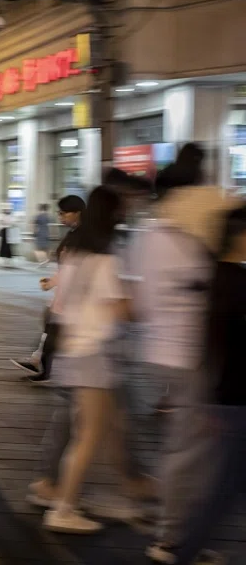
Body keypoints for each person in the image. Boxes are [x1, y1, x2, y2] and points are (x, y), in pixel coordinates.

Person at [133, 155, 237, 564]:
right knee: (192, 447)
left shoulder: (148, 231)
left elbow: (140, 297)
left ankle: (174, 528)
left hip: (159, 350)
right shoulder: (200, 218)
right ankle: (173, 539)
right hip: (190, 350)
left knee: (189, 443)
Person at [43, 185, 137, 534]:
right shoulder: (106, 259)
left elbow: (64, 303)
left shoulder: (78, 254)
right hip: (93, 353)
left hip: (76, 349)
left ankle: (123, 491)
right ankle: (64, 506)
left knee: (109, 429)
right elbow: (123, 309)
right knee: (90, 435)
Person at [170, 205, 246, 565]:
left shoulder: (217, 276)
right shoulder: (235, 283)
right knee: (223, 491)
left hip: (224, 397)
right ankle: (183, 551)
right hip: (235, 400)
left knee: (224, 488)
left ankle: (184, 548)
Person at [11, 195, 85, 383]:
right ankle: (40, 362)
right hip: (66, 291)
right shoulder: (75, 233)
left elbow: (72, 268)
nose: (60, 217)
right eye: (58, 213)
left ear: (77, 213)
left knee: (56, 329)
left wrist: (53, 283)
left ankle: (42, 363)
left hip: (72, 293)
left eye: (63, 213)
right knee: (51, 326)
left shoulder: (81, 236)